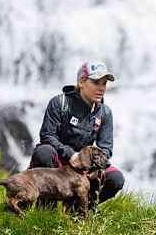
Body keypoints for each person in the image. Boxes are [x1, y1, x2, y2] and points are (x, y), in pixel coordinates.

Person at [29, 60, 124, 205]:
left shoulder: (105, 113)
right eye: (95, 82)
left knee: (116, 178)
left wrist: (94, 167)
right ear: (81, 82)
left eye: (104, 83)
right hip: (59, 160)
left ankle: (79, 209)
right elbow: (47, 136)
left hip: (85, 166)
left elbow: (106, 148)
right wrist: (71, 155)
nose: (101, 88)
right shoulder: (59, 103)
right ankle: (46, 208)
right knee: (43, 152)